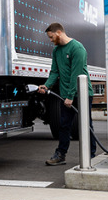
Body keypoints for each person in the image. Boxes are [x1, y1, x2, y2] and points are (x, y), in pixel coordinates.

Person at [37, 23, 96, 165]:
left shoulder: (77, 48)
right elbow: (55, 72)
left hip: (82, 94)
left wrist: (70, 96)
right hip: (65, 95)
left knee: (86, 125)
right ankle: (60, 155)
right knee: (64, 125)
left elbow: (77, 74)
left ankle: (92, 156)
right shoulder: (56, 51)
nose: (50, 40)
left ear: (58, 33)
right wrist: (47, 85)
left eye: (51, 37)